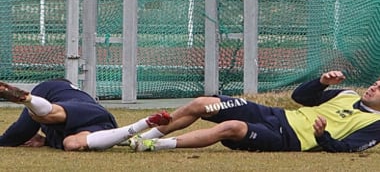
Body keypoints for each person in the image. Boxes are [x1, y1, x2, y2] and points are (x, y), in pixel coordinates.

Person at [127, 70, 380, 152]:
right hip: (274, 114)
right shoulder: (347, 95)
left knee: (230, 128)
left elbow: (347, 149)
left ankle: (155, 146)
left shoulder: (376, 123)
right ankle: (142, 137)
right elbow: (300, 97)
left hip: (288, 139)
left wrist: (322, 136)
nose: (374, 87)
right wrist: (322, 82)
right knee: (203, 104)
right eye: (376, 83)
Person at [0, 79, 171, 151]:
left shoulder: (50, 86)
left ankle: (28, 99)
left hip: (79, 110)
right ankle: (143, 124)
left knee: (41, 115)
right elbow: (60, 137)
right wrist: (45, 140)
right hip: (99, 121)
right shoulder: (77, 94)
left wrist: (3, 141)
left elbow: (20, 132)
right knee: (71, 144)